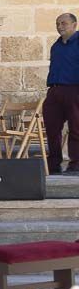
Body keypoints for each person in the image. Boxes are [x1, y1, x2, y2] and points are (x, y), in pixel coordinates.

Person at [45, 12, 79, 174]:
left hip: (74, 89)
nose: (60, 27)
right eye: (58, 24)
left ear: (74, 24)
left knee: (76, 128)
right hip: (54, 90)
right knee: (52, 129)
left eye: (63, 23)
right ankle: (54, 164)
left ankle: (76, 163)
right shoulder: (56, 46)